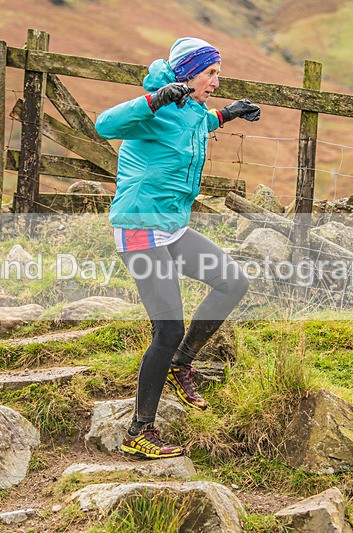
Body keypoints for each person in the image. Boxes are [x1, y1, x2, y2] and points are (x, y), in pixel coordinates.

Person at [95, 37, 261, 459]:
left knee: (233, 282)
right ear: (188, 72)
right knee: (166, 327)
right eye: (211, 73)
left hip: (171, 228)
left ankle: (180, 363)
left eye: (218, 73)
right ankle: (139, 430)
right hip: (138, 228)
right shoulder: (157, 108)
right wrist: (152, 100)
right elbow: (103, 125)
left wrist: (227, 114)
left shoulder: (190, 110)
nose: (217, 81)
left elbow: (196, 126)